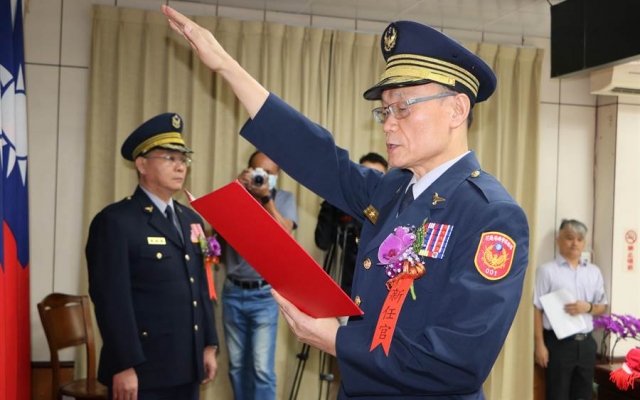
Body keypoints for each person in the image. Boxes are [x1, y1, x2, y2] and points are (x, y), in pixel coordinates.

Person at [163, 7, 530, 399]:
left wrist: (338, 341)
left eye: (403, 107)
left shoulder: (490, 214)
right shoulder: (393, 191)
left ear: (457, 109)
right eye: (385, 110)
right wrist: (228, 69)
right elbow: (318, 157)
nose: (389, 123)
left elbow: (458, 361)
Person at [85, 113, 219, 400]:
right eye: (169, 158)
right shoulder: (116, 221)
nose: (180, 166)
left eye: (183, 159)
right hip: (143, 369)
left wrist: (209, 344)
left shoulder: (189, 219)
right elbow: (111, 300)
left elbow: (201, 286)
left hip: (187, 364)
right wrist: (123, 364)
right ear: (142, 164)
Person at [222, 150, 297, 400]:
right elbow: (214, 235)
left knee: (262, 369)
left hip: (265, 295)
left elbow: (285, 236)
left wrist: (266, 199)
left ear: (279, 176)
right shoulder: (235, 197)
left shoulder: (284, 199)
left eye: (270, 174)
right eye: (260, 173)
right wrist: (234, 190)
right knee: (236, 366)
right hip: (233, 292)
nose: (264, 178)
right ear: (249, 171)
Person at [533, 219, 607, 400]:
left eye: (580, 239)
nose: (575, 243)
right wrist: (540, 345)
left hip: (587, 344)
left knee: (583, 395)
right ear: (558, 240)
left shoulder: (593, 272)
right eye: (569, 238)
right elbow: (537, 308)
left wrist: (587, 307)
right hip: (558, 344)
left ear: (585, 242)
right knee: (557, 394)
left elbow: (602, 306)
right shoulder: (547, 271)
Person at [314, 152, 388, 296]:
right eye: (365, 177)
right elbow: (322, 242)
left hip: (378, 291)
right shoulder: (342, 208)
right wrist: (333, 198)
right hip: (344, 289)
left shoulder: (392, 211)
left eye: (376, 179)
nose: (369, 186)